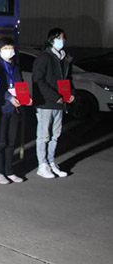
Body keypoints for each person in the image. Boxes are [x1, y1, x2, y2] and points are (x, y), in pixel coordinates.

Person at [32, 28, 74, 179]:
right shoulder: (44, 57)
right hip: (46, 103)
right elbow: (38, 80)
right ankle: (42, 165)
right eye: (59, 38)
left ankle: (51, 162)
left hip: (60, 103)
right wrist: (55, 96)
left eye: (63, 38)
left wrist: (71, 94)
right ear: (51, 40)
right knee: (43, 135)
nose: (62, 41)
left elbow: (68, 80)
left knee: (55, 135)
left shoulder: (65, 58)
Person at [0, 37, 31, 184]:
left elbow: (20, 85)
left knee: (11, 141)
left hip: (16, 108)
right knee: (0, 141)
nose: (9, 51)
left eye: (11, 48)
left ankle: (9, 170)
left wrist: (26, 97)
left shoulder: (15, 67)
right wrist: (9, 97)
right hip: (1, 108)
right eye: (6, 48)